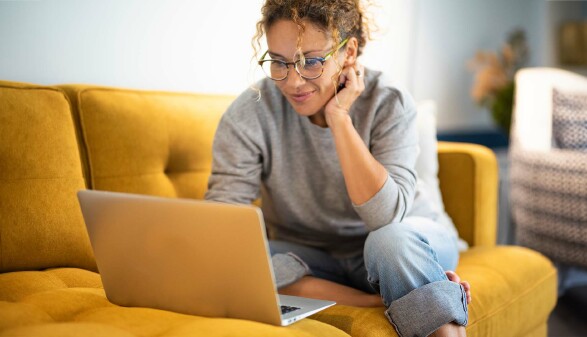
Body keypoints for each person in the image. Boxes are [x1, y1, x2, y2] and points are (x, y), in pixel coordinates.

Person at [205, 1, 471, 336]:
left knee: (389, 242)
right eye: (279, 62)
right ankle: (375, 297)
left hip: (401, 242)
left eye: (311, 61)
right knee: (226, 258)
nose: (293, 82)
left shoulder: (388, 101)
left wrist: (339, 119)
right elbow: (220, 226)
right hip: (310, 259)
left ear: (349, 53)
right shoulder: (250, 113)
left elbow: (385, 218)